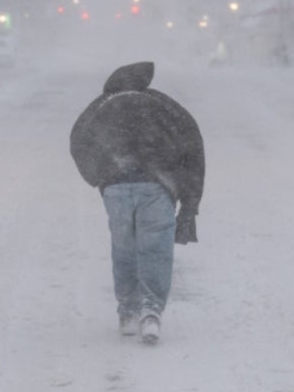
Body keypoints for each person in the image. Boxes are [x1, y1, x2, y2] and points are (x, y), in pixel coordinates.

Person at [70, 61, 205, 344]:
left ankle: (128, 312)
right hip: (157, 186)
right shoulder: (162, 105)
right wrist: (188, 201)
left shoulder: (103, 105)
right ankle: (151, 312)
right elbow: (192, 145)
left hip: (116, 188)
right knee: (155, 249)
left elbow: (78, 141)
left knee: (124, 249)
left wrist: (99, 177)